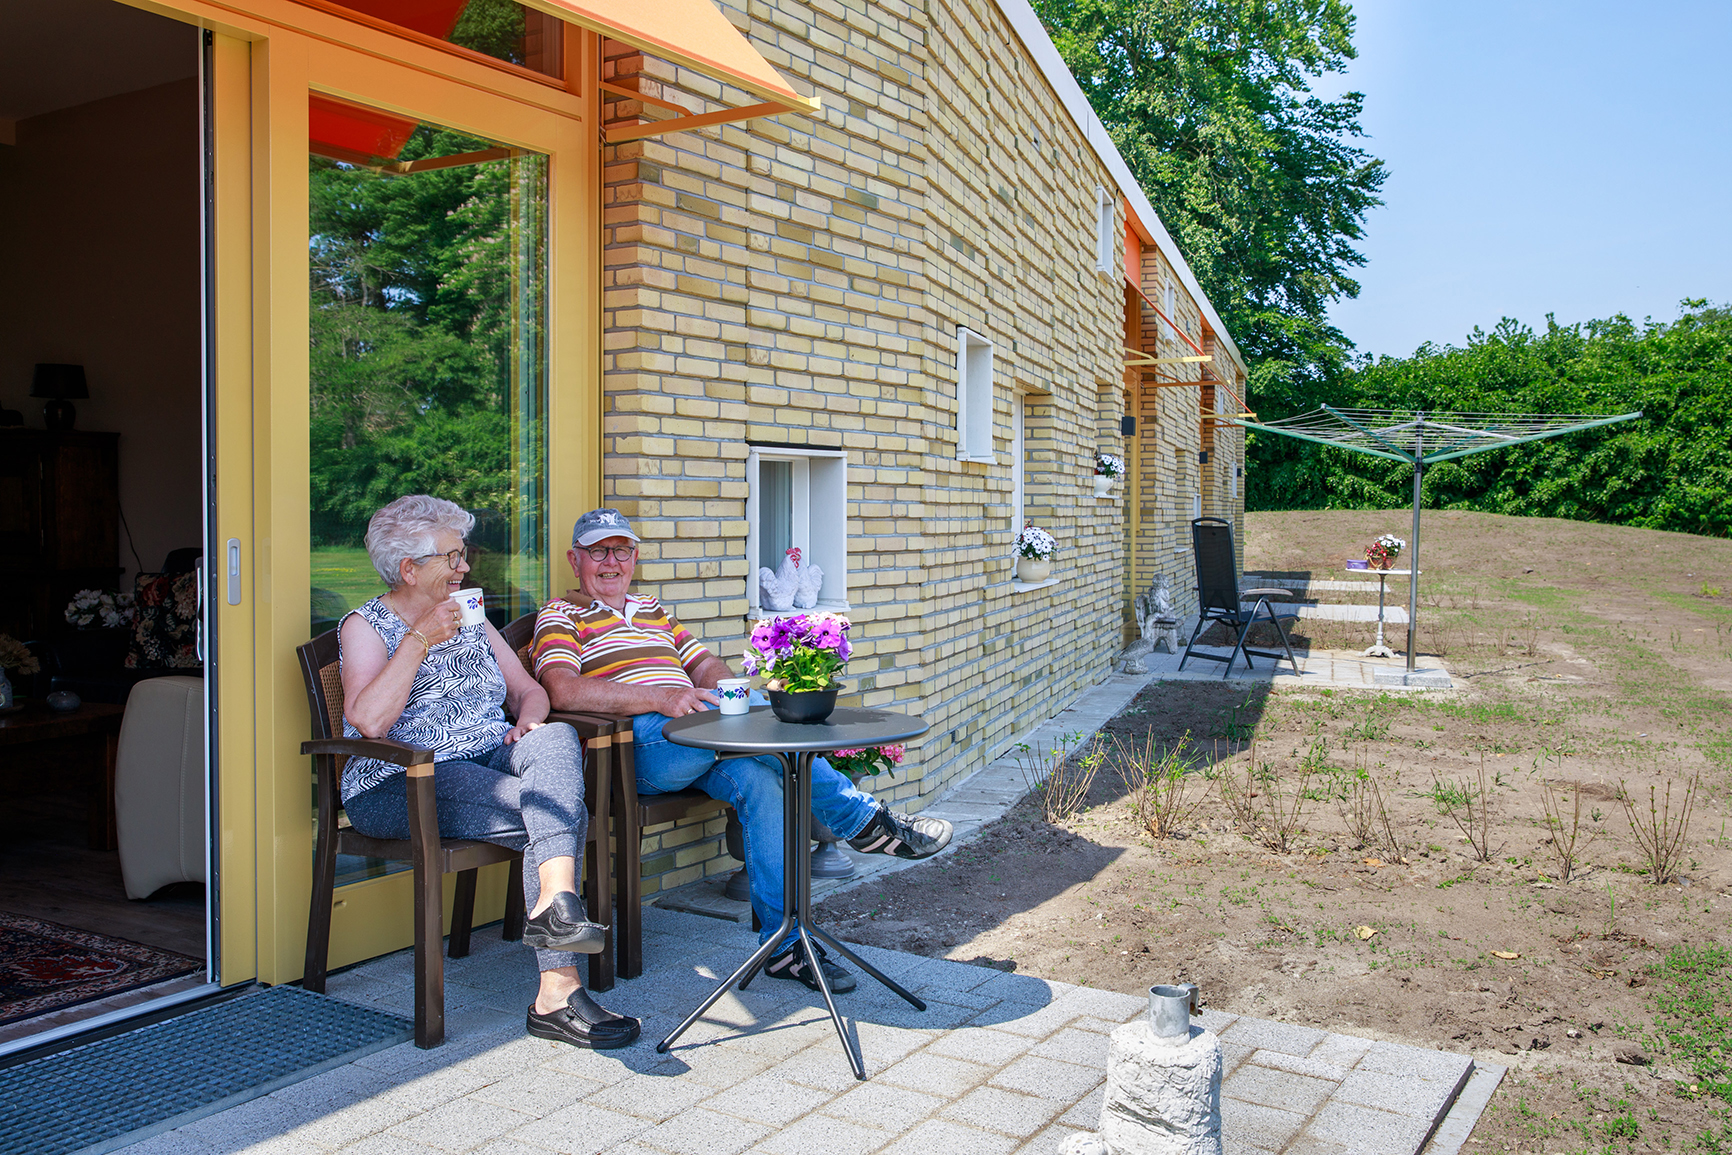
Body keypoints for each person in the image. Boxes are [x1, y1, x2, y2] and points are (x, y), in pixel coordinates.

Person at [532, 508, 954, 993]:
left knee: (764, 774)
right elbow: (563, 690)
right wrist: (663, 698)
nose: (611, 562)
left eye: (621, 550)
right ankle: (866, 823)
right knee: (764, 739)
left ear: (635, 557)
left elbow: (704, 662)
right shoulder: (560, 615)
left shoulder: (652, 609)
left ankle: (785, 947)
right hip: (637, 752)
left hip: (699, 741)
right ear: (575, 559)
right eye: (598, 551)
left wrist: (731, 690)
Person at [337, 495, 637, 1049]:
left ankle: (554, 908)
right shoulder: (366, 625)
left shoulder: (470, 612)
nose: (465, 567)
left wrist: (527, 721)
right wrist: (422, 637)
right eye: (453, 557)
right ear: (410, 568)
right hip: (402, 780)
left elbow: (528, 691)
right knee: (551, 813)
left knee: (555, 738)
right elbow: (370, 721)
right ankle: (558, 990)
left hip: (484, 757)